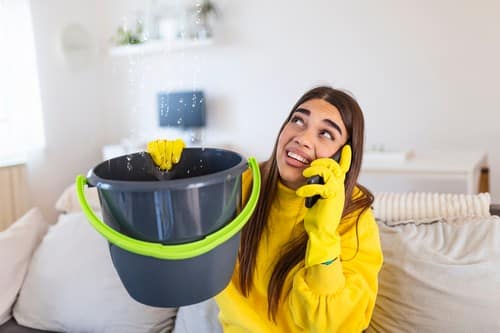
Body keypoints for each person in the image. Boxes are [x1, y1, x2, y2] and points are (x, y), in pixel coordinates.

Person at [148, 86, 383, 332]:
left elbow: (332, 326)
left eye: (326, 134)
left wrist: (324, 234)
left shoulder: (355, 216)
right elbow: (176, 247)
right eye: (298, 120)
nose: (302, 138)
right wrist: (167, 178)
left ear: (343, 157)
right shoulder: (241, 184)